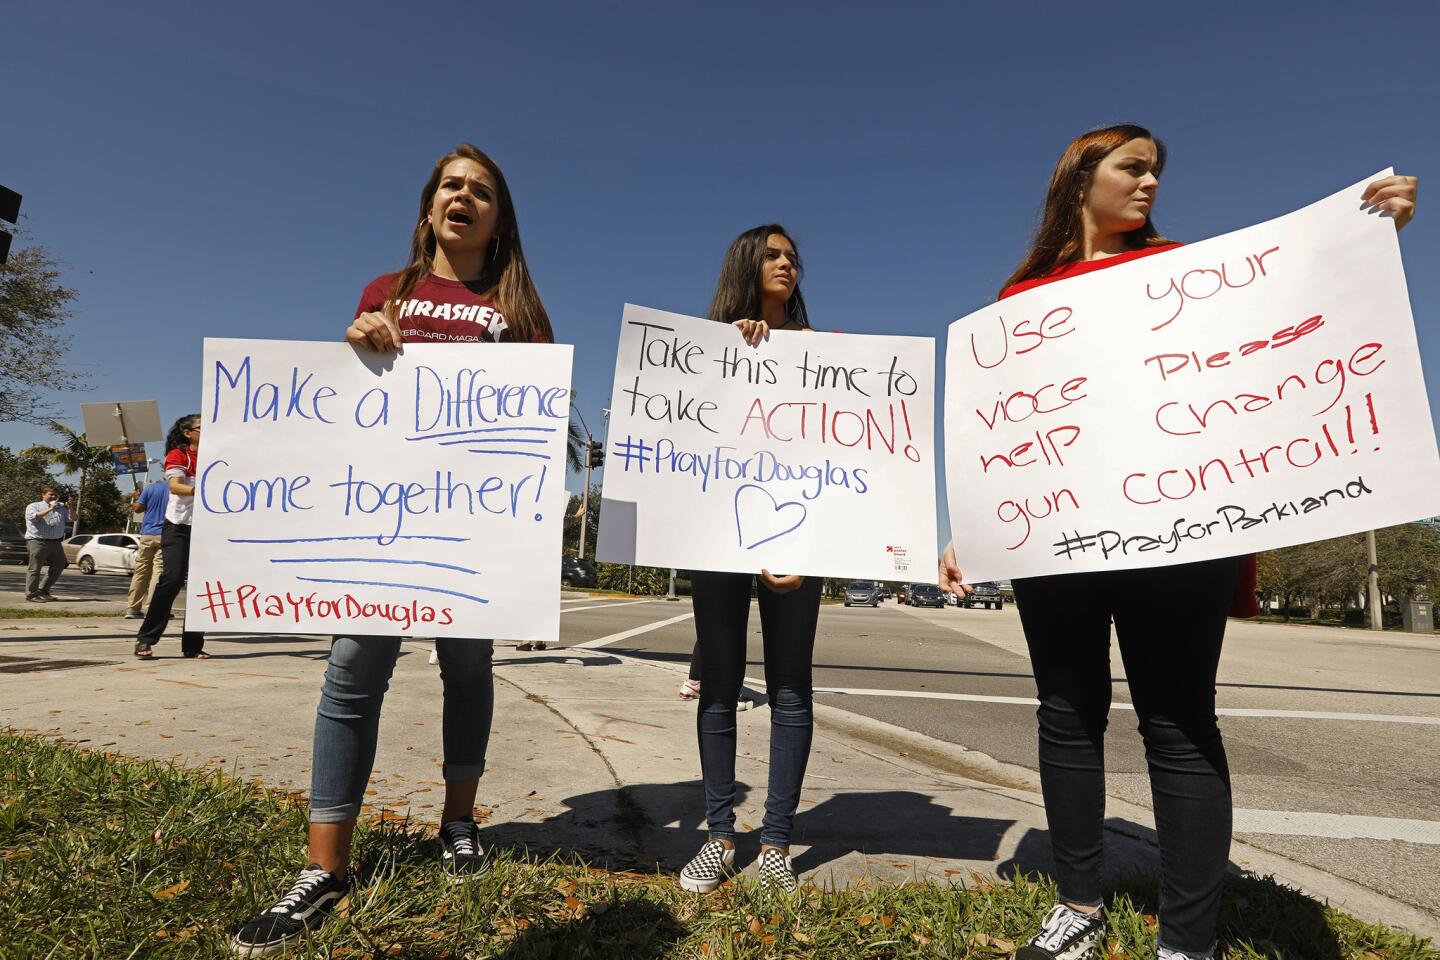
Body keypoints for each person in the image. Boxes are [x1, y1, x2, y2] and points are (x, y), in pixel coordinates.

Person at [938, 124, 1419, 960]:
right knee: (1066, 711)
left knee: (1179, 720)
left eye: (1157, 170)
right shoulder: (1023, 297)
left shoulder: (1186, 274)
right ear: (1080, 177)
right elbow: (1006, 430)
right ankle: (1078, 903)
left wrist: (1369, 237)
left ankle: (1188, 941)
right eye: (1133, 167)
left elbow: (1293, 307)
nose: (1150, 182)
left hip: (1176, 534)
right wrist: (968, 526)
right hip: (1058, 538)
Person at [231, 144, 555, 958]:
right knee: (352, 669)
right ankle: (323, 868)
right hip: (379, 524)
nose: (465, 197)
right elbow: (350, 399)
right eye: (452, 184)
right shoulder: (391, 292)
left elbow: (538, 423)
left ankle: (458, 822)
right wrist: (359, 336)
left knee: (468, 669)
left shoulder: (518, 306)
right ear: (429, 205)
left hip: (471, 527)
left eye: (482, 190)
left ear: (498, 217)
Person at [678, 225, 823, 897]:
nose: (787, 264)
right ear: (745, 263)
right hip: (718, 537)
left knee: (791, 686)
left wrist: (812, 541)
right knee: (720, 683)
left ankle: (775, 843)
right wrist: (729, 356)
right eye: (773, 255)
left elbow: (840, 458)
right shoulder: (709, 351)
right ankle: (717, 835)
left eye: (793, 258)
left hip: (795, 540)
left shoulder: (823, 354)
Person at [135, 415, 207, 659]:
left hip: (207, 529)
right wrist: (203, 490)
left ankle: (193, 645)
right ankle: (146, 638)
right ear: (188, 432)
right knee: (172, 579)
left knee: (200, 584)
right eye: (202, 426)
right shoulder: (179, 455)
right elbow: (175, 486)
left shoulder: (215, 455)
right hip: (178, 525)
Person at [125, 481, 168, 619]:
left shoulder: (151, 488)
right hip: (166, 533)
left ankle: (132, 608)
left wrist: (137, 497)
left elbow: (137, 508)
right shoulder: (177, 488)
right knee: (158, 571)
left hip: (147, 534)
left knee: (141, 571)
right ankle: (153, 609)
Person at [23, 486, 71, 601]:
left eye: (55, 495)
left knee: (60, 564)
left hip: (55, 542)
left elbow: (73, 518)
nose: (53, 496)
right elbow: (34, 517)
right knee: (35, 569)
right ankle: (31, 594)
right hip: (37, 541)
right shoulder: (34, 506)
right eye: (50, 494)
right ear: (43, 495)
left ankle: (43, 590)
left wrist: (71, 507)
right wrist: (50, 509)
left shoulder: (62, 508)